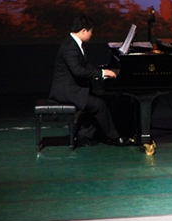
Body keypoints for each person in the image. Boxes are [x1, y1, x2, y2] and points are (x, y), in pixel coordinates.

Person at [49, 15, 132, 147]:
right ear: (83, 31)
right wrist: (102, 73)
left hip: (74, 89)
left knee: (106, 99)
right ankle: (114, 137)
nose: (92, 34)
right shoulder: (70, 47)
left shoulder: (75, 43)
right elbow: (78, 71)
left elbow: (85, 66)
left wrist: (102, 71)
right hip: (68, 92)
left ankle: (86, 135)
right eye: (91, 31)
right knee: (99, 104)